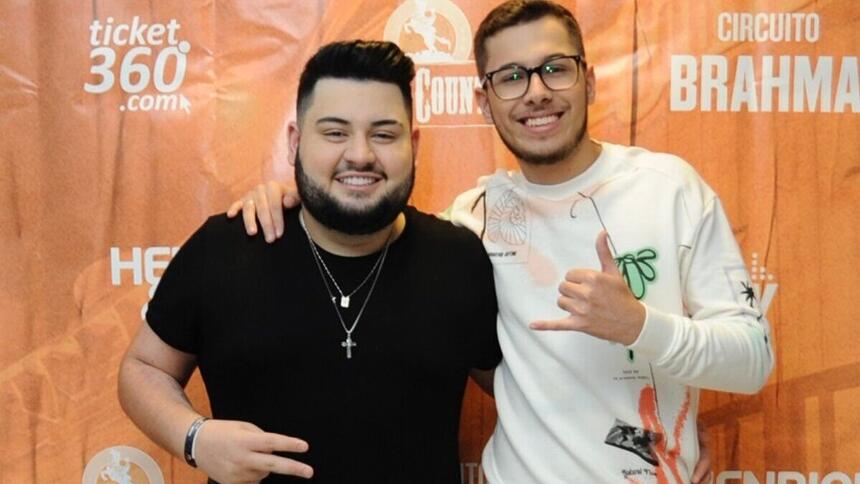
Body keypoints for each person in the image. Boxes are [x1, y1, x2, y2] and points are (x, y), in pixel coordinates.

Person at [232, 1, 775, 482]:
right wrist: (291, 194)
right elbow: (364, 223)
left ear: (588, 81)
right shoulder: (471, 221)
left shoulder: (669, 188)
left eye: (554, 69)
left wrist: (641, 328)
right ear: (485, 101)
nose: (536, 91)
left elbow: (752, 360)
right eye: (511, 76)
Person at [117, 40, 501, 484]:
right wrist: (194, 438)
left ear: (412, 144)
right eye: (335, 132)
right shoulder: (225, 247)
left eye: (383, 133)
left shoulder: (459, 259)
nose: (360, 154)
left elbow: (525, 386)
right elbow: (143, 368)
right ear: (295, 141)